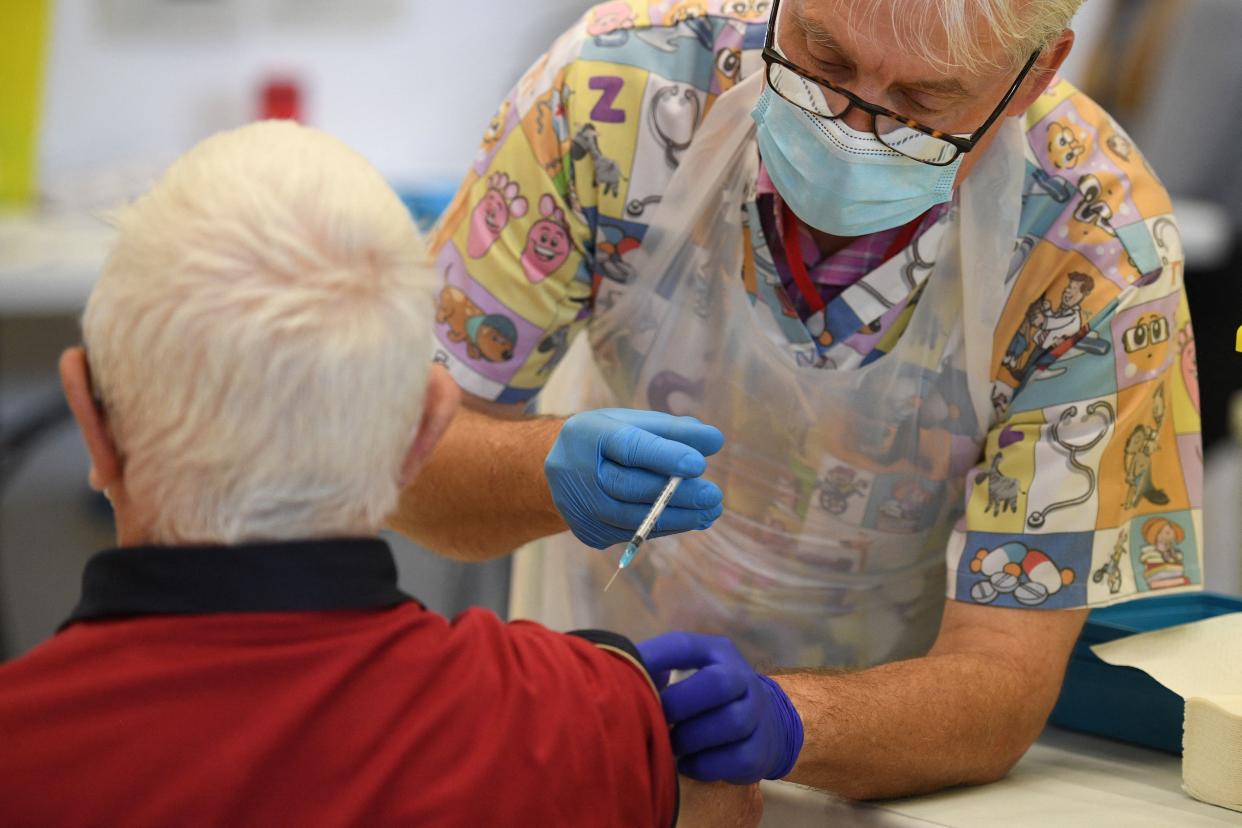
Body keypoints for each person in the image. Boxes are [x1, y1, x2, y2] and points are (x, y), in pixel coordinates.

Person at [391, 0, 1203, 799]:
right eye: (822, 58)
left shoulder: (1099, 254)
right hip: (602, 735)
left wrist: (789, 720)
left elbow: (1001, 681)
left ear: (1036, 74)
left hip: (893, 769)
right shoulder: (614, 97)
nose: (851, 129)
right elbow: (403, 470)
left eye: (923, 104)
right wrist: (542, 469)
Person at [0, 121, 762, 828]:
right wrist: (635, 716)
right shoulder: (581, 724)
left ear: (89, 417)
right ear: (427, 428)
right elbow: (721, 802)